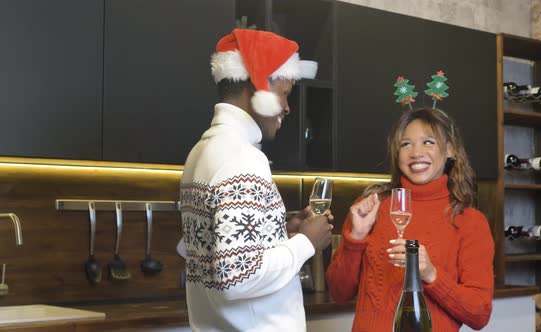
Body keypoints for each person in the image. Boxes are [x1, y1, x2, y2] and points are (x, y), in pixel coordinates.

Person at [178, 29, 333, 331]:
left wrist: (278, 235)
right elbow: (238, 276)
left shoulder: (201, 152)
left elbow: (207, 249)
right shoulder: (243, 158)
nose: (288, 108)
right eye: (285, 94)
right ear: (258, 85)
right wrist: (305, 243)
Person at [326, 107, 494, 331]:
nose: (416, 152)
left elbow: (479, 314)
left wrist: (430, 273)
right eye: (406, 144)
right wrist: (355, 238)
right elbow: (339, 293)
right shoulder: (371, 206)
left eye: (428, 142)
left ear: (450, 150)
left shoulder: (470, 221)